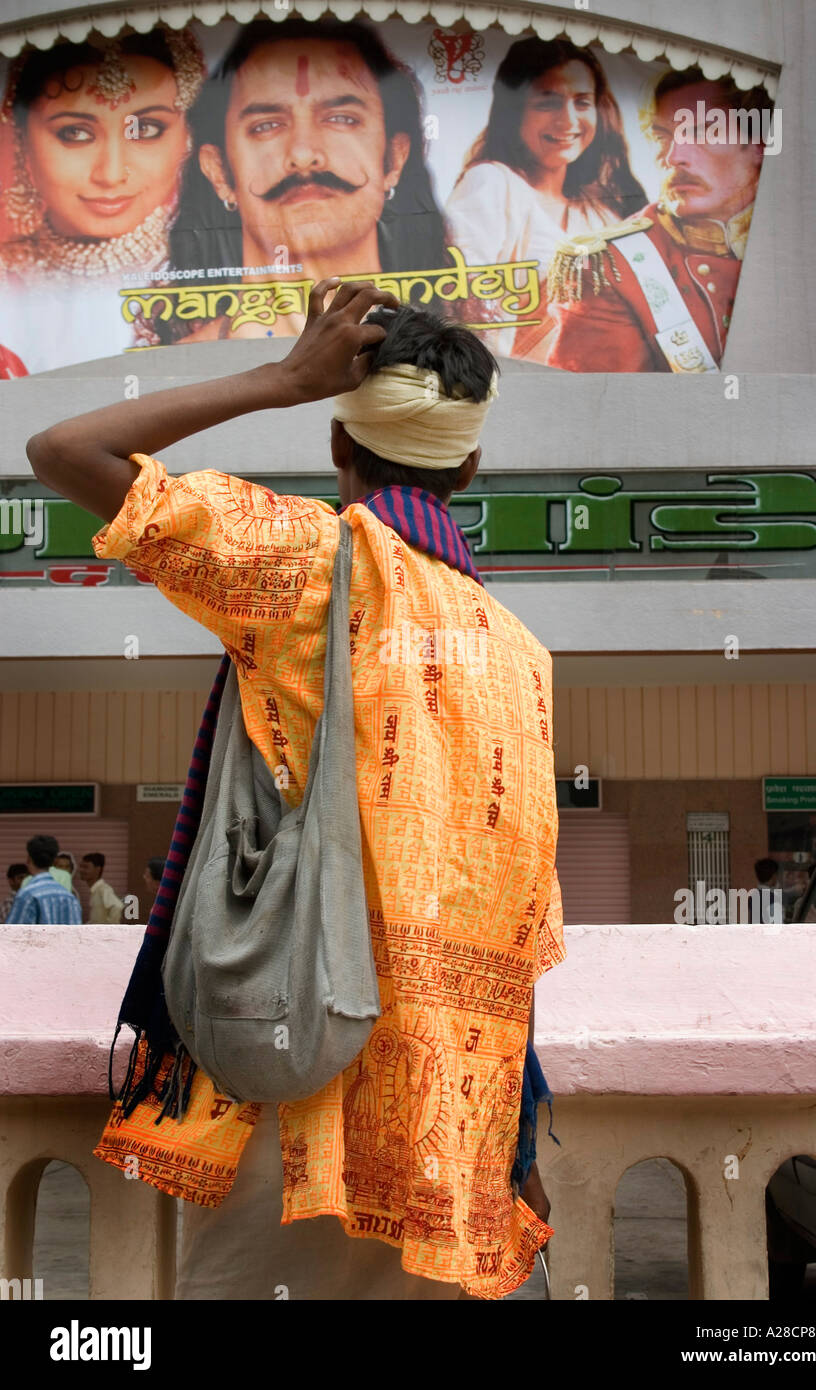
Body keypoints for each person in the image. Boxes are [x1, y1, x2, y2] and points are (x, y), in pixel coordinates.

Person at [27, 278, 565, 1300]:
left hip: (304, 1064)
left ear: (337, 445)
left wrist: (278, 378)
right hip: (461, 1107)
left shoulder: (303, 566)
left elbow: (64, 450)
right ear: (470, 462)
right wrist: (516, 1130)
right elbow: (517, 914)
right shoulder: (516, 652)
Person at [167, 17, 448, 343]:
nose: (302, 154)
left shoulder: (446, 351)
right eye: (266, 125)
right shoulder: (187, 365)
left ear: (394, 160)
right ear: (218, 172)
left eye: (341, 119)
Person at [546, 67, 772, 372]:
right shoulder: (609, 266)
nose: (672, 156)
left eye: (700, 132)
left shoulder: (805, 241)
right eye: (662, 137)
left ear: (760, 144)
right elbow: (597, 405)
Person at [446, 37, 645, 360]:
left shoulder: (602, 213)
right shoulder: (492, 183)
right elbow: (460, 303)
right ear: (515, 111)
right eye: (547, 102)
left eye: (581, 102)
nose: (567, 121)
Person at [0, 28, 204, 283]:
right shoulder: (7, 278)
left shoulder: (215, 263)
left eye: (144, 129)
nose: (111, 175)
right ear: (22, 138)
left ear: (188, 136)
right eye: (74, 133)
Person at [5, 835, 82, 924]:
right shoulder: (70, 898)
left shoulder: (27, 895)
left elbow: (15, 932)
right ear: (53, 861)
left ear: (29, 859)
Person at [79, 852, 124, 923]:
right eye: (81, 866)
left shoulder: (103, 889)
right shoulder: (95, 890)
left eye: (86, 867)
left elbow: (117, 906)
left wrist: (110, 929)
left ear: (98, 869)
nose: (81, 870)